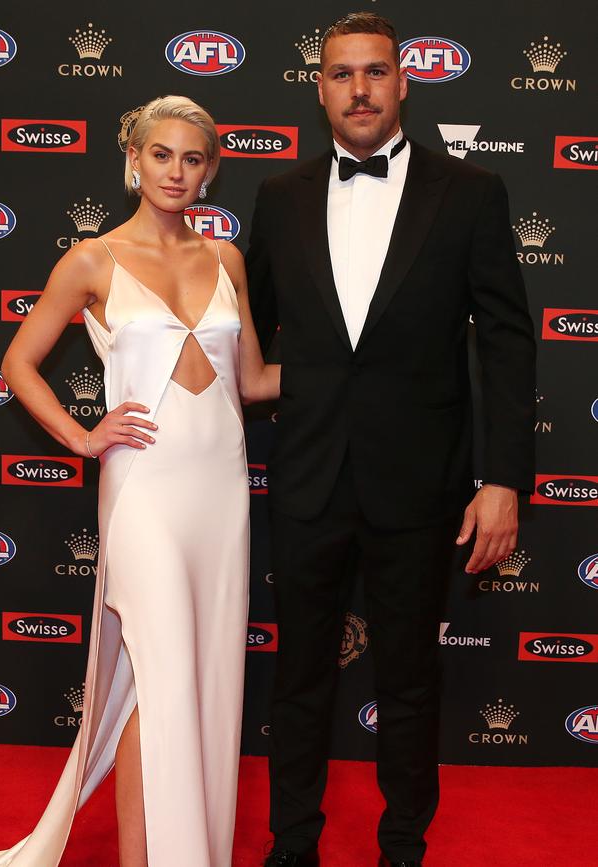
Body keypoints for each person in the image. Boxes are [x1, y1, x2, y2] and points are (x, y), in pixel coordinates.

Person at [0, 95, 279, 867]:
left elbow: (256, 379)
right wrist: (81, 435)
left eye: (193, 159)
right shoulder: (92, 259)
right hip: (146, 490)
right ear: (133, 160)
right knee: (159, 671)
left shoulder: (226, 259)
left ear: (212, 171)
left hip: (219, 487)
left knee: (189, 680)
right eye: (161, 154)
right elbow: (17, 364)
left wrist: (359, 364)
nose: (177, 171)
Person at [246, 12, 535, 867]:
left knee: (410, 683)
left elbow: (508, 341)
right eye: (342, 74)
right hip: (307, 477)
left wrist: (503, 479)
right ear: (320, 87)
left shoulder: (473, 193)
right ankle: (291, 844)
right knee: (298, 680)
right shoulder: (280, 197)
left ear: (405, 83)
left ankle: (402, 846)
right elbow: (243, 337)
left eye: (376, 72)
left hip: (422, 484)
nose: (360, 89)